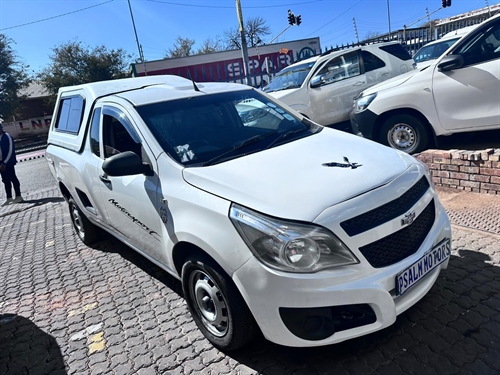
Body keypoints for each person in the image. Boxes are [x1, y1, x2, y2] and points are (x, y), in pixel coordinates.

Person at [0, 123, 23, 206]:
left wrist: (5, 162)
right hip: (1, 162)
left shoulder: (7, 137)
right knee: (5, 180)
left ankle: (18, 196)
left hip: (8, 162)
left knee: (13, 178)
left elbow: (10, 150)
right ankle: (9, 198)